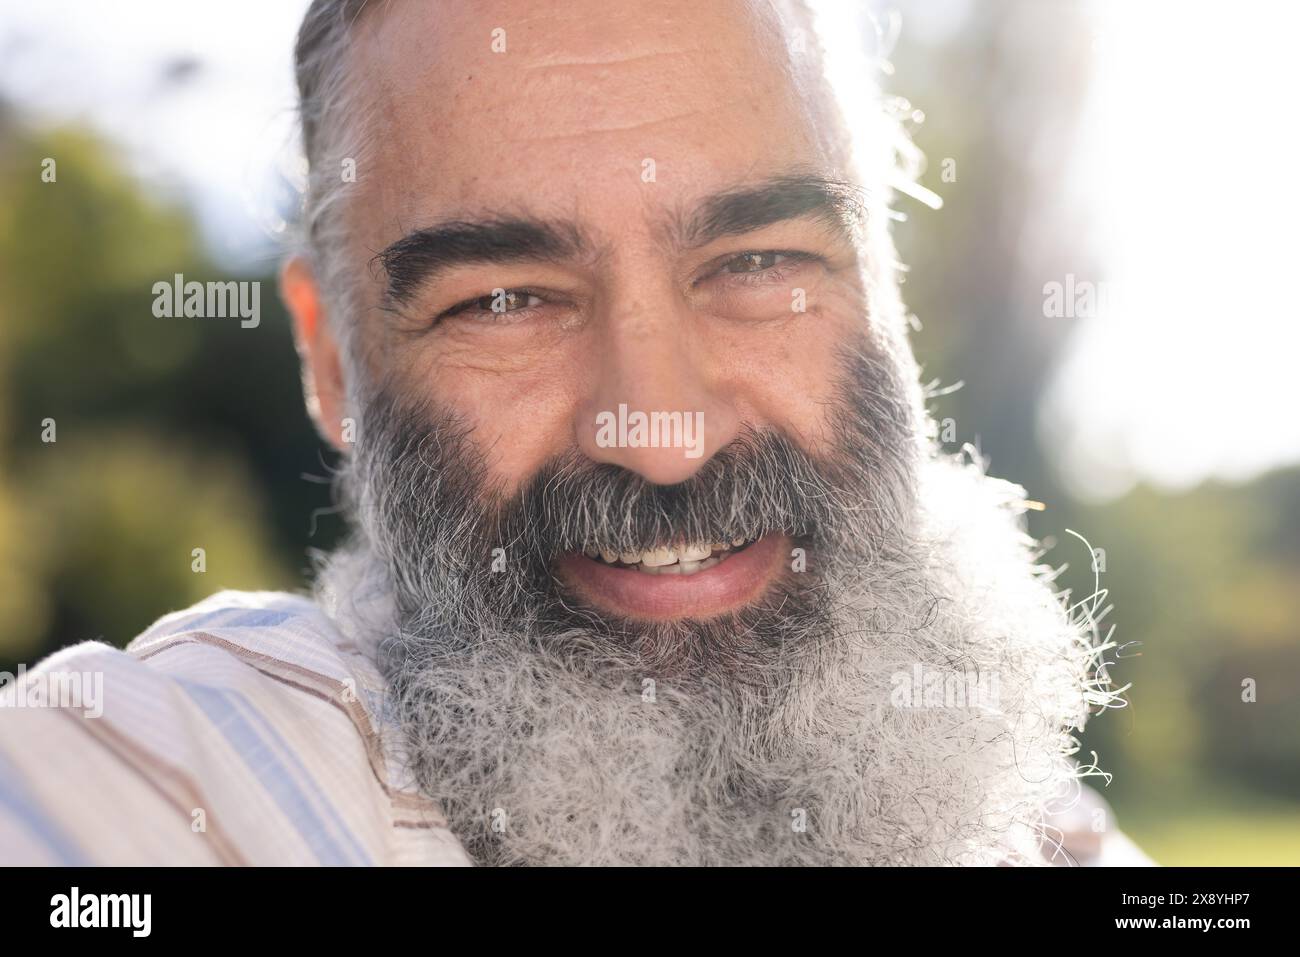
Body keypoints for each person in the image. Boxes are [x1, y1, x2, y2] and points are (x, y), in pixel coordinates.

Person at [0, 0, 1147, 866]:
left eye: (759, 263)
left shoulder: (1041, 826)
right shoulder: (151, 780)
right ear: (331, 361)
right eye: (504, 299)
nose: (666, 438)